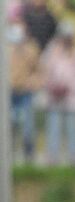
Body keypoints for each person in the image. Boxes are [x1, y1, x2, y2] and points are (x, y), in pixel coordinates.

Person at [40, 21, 75, 165]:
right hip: (54, 97)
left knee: (73, 129)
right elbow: (45, 72)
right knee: (54, 128)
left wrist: (69, 87)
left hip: (71, 98)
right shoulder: (51, 51)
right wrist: (53, 86)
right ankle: (52, 158)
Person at [9, 19, 42, 162]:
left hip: (25, 93)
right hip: (9, 94)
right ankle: (8, 156)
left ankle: (29, 156)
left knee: (28, 127)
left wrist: (33, 82)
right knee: (10, 127)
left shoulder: (31, 48)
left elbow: (39, 71)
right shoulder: (6, 48)